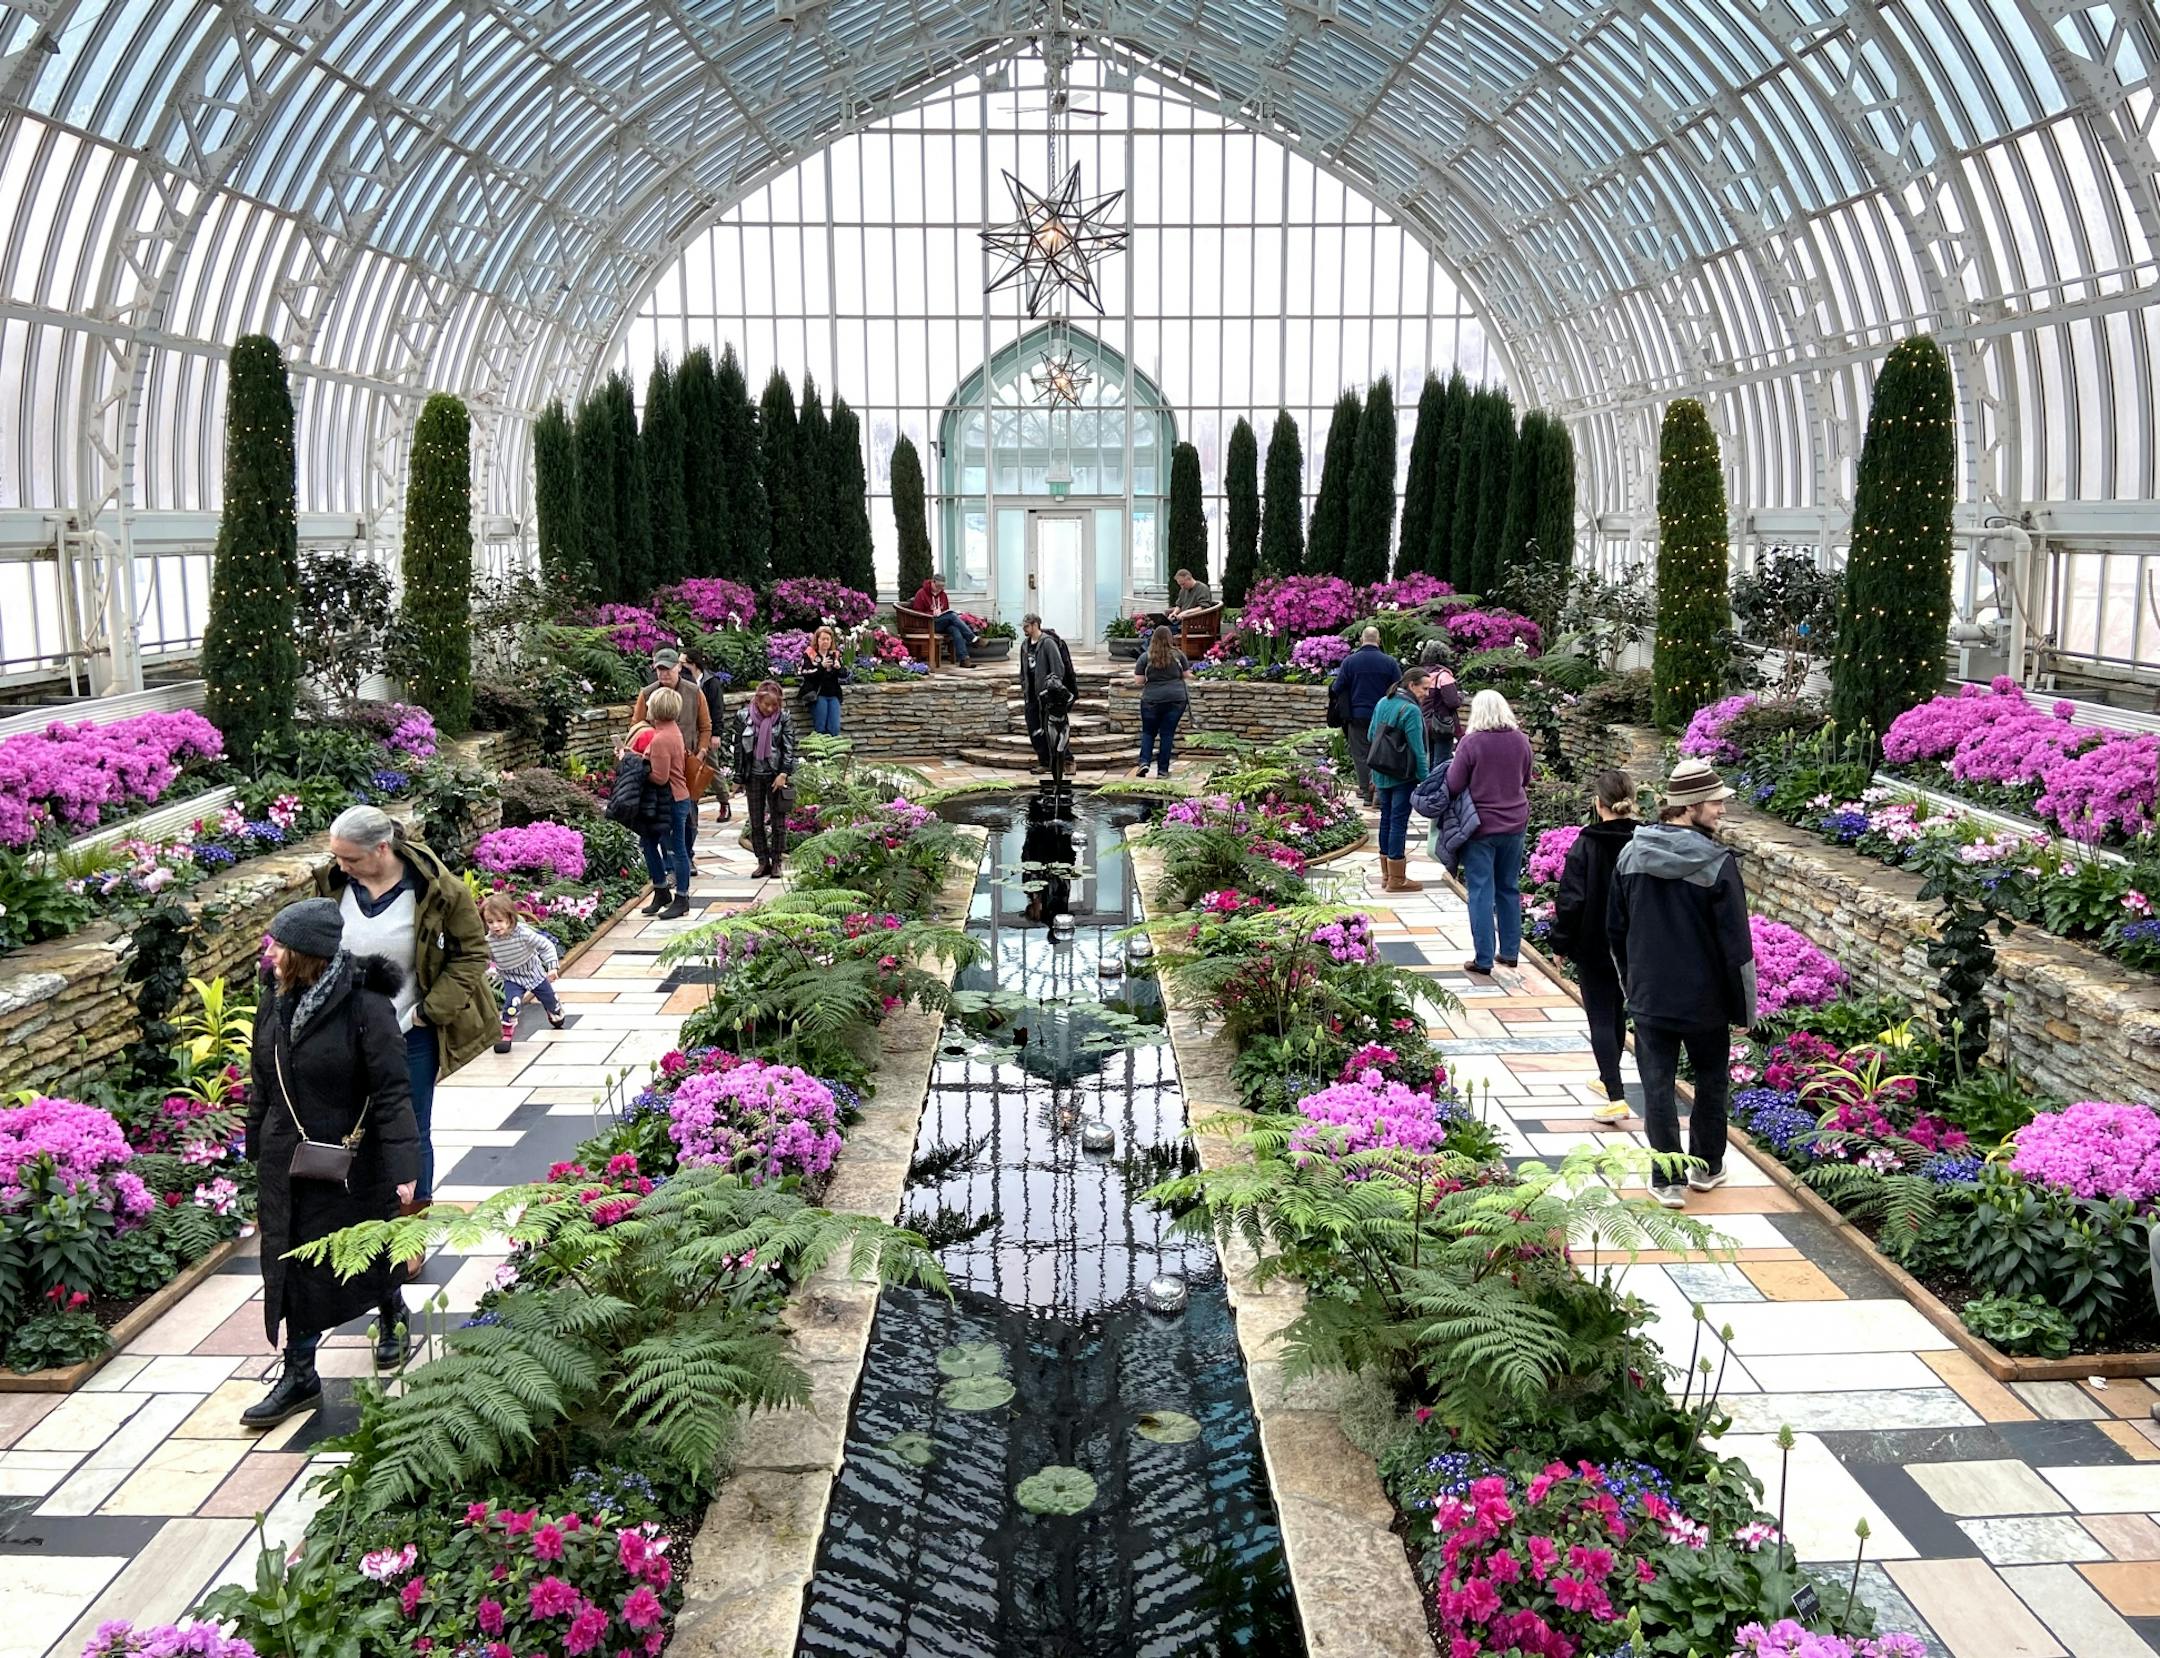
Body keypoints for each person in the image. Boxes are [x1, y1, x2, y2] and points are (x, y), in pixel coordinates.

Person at [241, 898, 421, 1425]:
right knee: (292, 1261)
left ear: (307, 955)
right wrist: (255, 1144)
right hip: (286, 1157)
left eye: (280, 947)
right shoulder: (274, 1000)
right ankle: (300, 1373)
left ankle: (391, 1311)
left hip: (351, 1158)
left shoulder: (366, 1006)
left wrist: (404, 1167)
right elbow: (262, 1079)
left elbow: (392, 1091)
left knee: (365, 1247)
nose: (270, 954)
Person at [316, 805, 494, 1224]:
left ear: (382, 848)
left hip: (409, 1034)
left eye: (350, 858)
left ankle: (410, 1229)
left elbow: (472, 954)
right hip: (344, 1031)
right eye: (337, 856)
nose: (341, 866)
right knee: (349, 1123)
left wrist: (427, 1014)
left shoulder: (438, 890)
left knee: (410, 1129)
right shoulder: (333, 884)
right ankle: (359, 1220)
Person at [1608, 757, 1758, 1209]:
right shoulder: (1717, 864)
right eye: (1715, 803)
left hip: (1650, 997)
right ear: (1690, 806)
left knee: (1656, 1085)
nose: (1722, 810)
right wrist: (1744, 1009)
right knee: (1711, 1081)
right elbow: (1737, 946)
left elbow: (1615, 930)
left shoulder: (1631, 855)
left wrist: (1632, 985)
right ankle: (1707, 1167)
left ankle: (1667, 1180)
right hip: (1705, 1002)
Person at [1551, 771, 1638, 1122]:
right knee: (1617, 1012)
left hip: (1595, 942)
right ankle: (1607, 1078)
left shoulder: (1587, 845)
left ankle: (1616, 1095)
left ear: (1597, 804)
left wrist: (1559, 942)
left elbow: (1571, 899)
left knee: (1601, 1015)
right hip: (1636, 943)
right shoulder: (1644, 842)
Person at [1446, 690, 1535, 976]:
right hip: (1515, 823)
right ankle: (1510, 952)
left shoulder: (1471, 743)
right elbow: (1526, 779)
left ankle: (1483, 959)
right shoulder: (1521, 740)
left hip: (1480, 826)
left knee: (1481, 890)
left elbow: (1454, 783)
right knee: (1509, 887)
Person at [632, 649, 712, 858]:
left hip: (688, 762)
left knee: (689, 815)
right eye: (660, 669)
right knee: (660, 815)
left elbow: (705, 727)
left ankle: (687, 855)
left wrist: (701, 753)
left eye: (668, 668)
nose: (664, 673)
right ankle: (668, 859)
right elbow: (637, 727)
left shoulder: (694, 692)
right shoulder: (647, 694)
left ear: (678, 667)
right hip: (657, 764)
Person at [627, 687, 692, 918]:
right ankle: (661, 891)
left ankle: (681, 898)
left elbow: (660, 777)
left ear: (656, 708)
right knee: (648, 843)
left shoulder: (661, 738)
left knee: (676, 849)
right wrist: (637, 757)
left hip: (670, 800)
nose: (647, 706)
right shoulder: (672, 731)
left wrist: (635, 765)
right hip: (673, 798)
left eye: (650, 704)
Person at [1366, 665, 1432, 892]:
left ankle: (1386, 875)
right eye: (1424, 688)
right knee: (1398, 822)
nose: (1427, 694)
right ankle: (1397, 879)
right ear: (1411, 685)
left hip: (1381, 771)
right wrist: (1426, 779)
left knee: (1386, 819)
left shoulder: (1383, 702)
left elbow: (1370, 735)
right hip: (1403, 775)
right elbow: (1418, 749)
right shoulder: (1410, 710)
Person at [732, 679, 801, 879]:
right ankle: (762, 861)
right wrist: (738, 777)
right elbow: (739, 750)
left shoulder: (784, 718)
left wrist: (783, 773)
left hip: (775, 775)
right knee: (756, 822)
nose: (770, 709)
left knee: (778, 822)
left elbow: (788, 748)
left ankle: (777, 861)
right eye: (766, 705)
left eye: (774, 705)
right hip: (753, 775)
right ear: (757, 700)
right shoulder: (743, 717)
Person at [480, 891, 565, 1052]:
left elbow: (545, 946)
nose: (495, 926)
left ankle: (554, 1009)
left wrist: (552, 967)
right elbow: (484, 958)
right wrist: (486, 969)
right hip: (512, 978)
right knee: (512, 1004)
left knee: (549, 1001)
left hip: (534, 973)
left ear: (510, 918)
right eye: (490, 922)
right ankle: (505, 1033)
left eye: (500, 921)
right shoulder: (489, 941)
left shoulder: (523, 933)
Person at [1331, 627, 1403, 805]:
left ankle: (1366, 791)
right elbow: (1399, 688)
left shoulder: (1350, 662)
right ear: (1378, 640)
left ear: (1361, 640)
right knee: (1381, 753)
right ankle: (1379, 790)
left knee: (1361, 754)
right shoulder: (1389, 662)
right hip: (1384, 717)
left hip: (1357, 715)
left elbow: (1337, 687)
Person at [678, 645, 732, 825]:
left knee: (712, 768)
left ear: (693, 664)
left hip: (705, 731)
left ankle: (724, 801)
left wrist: (716, 734)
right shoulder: (681, 682)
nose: (680, 666)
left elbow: (717, 709)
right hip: (687, 731)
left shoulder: (711, 682)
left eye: (683, 663)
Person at [1019, 612, 1076, 775]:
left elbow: (1058, 668)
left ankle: (1067, 760)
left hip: (1048, 696)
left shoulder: (1048, 643)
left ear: (1035, 625)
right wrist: (1023, 685)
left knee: (1055, 731)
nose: (1024, 629)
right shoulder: (1024, 645)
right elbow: (1023, 669)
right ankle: (1044, 761)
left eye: (1026, 626)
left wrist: (1052, 688)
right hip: (1031, 695)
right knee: (1034, 728)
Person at [1132, 625, 1189, 777]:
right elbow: (1186, 675)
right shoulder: (1178, 655)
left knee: (1148, 732)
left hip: (1151, 699)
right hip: (1176, 699)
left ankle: (1144, 762)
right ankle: (1162, 770)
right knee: (1167, 734)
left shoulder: (1145, 657)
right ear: (1170, 638)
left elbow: (1139, 680)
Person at [908, 572, 975, 667]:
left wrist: (943, 613)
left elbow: (946, 610)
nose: (939, 589)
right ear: (933, 582)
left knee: (955, 629)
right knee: (952, 616)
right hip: (927, 624)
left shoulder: (943, 595)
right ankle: (972, 638)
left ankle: (964, 659)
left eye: (942, 587)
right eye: (938, 586)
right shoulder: (921, 593)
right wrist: (932, 613)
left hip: (941, 623)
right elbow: (917, 613)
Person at [1418, 640, 1466, 771]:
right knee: (1441, 762)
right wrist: (1461, 696)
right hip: (1441, 725)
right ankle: (1437, 784)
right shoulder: (1443, 676)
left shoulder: (1421, 674)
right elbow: (1452, 702)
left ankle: (1428, 782)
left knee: (1429, 760)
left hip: (1424, 722)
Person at [803, 625, 847, 737]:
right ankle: (821, 748)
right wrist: (821, 666)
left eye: (828, 639)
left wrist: (839, 668)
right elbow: (806, 674)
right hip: (818, 694)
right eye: (823, 639)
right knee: (821, 727)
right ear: (817, 640)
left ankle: (833, 747)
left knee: (835, 728)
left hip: (833, 694)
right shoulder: (810, 654)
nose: (825, 642)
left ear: (831, 641)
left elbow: (844, 674)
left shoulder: (834, 654)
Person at [1143, 568, 1218, 629]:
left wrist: (1185, 613)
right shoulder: (1183, 590)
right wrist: (1174, 613)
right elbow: (1179, 605)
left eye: (1183, 584)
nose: (1182, 587)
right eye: (1180, 585)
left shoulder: (1202, 589)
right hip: (1182, 621)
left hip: (1195, 623)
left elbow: (1203, 607)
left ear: (1189, 578)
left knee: (1164, 630)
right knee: (1156, 627)